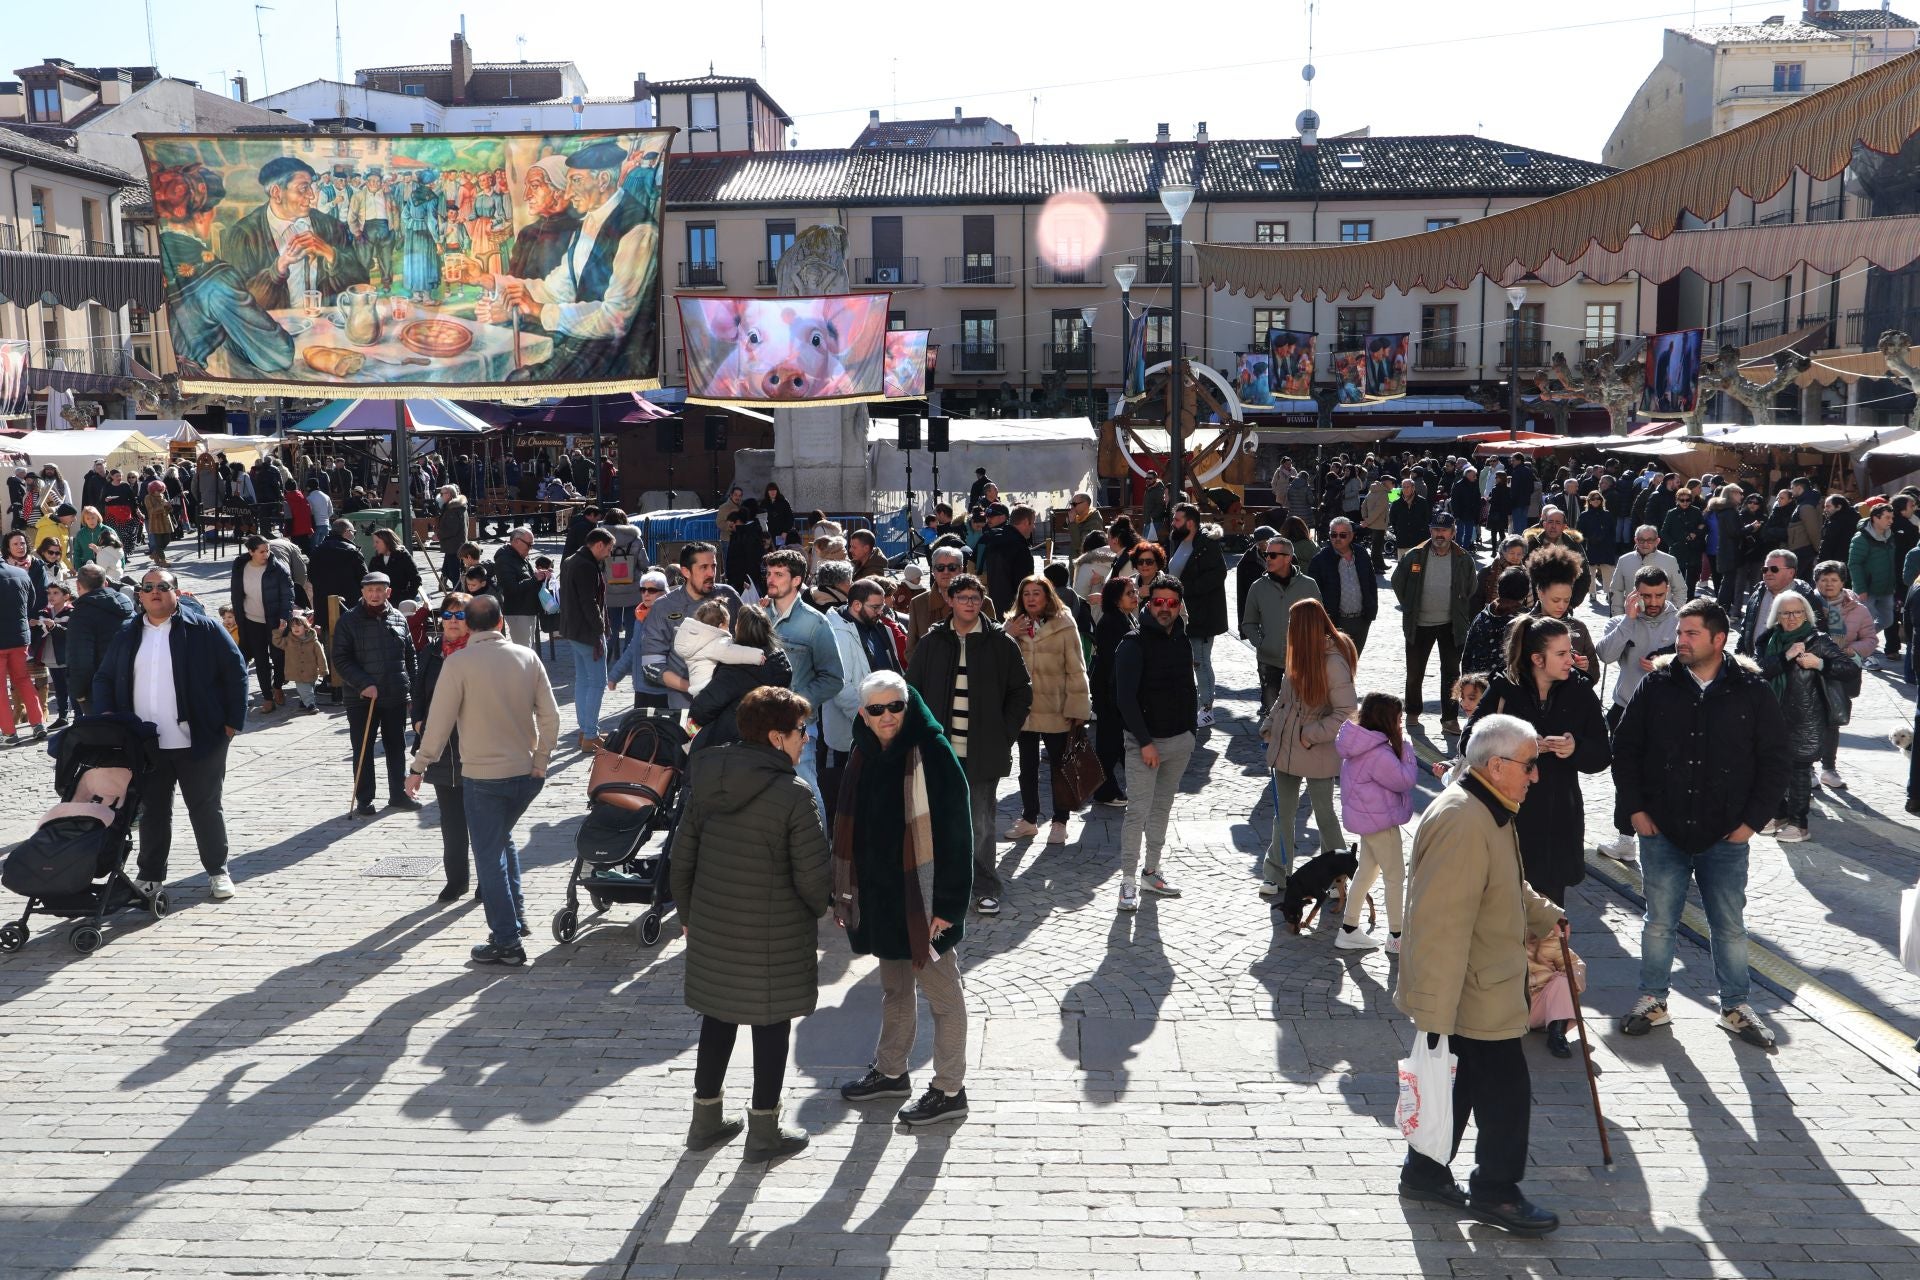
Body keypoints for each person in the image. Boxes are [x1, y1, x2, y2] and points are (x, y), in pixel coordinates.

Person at [1395, 712, 1567, 1237]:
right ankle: (1496, 1192)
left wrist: (1545, 915)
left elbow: (1502, 887)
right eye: (1530, 765)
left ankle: (1424, 1172)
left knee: (1463, 1083)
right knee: (1506, 1094)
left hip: (1482, 985)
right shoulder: (1465, 820)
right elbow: (1439, 924)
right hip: (1474, 993)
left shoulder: (1488, 808)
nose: (1535, 775)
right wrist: (1435, 1014)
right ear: (1496, 765)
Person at [1614, 600, 1790, 1048]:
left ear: (1719, 640)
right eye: (1680, 632)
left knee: (1729, 925)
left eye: (1691, 633)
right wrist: (1635, 810)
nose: (1681, 641)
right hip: (1663, 830)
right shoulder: (1656, 685)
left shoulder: (1752, 690)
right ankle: (1652, 1000)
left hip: (1726, 835)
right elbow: (1627, 748)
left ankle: (1735, 1005)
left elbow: (1775, 763)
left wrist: (1751, 822)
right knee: (1658, 922)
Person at [672, 684, 832, 1159]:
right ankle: (764, 1131)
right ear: (776, 738)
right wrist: (819, 908)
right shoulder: (793, 795)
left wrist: (688, 916)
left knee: (717, 1018)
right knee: (770, 1026)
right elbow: (813, 881)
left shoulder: (707, 779)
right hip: (774, 934)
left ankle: (705, 1121)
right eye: (802, 730)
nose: (807, 738)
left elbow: (683, 858)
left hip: (713, 928)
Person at [834, 672, 976, 1126]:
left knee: (943, 996)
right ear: (863, 713)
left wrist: (948, 908)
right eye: (877, 709)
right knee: (894, 990)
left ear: (908, 705)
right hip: (881, 901)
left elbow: (958, 834)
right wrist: (845, 895)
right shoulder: (863, 751)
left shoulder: (931, 751)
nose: (888, 716)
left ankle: (950, 1089)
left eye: (896, 706)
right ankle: (892, 1071)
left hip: (923, 901)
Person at [406, 593, 560, 965]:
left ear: (470, 626)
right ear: (501, 622)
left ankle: (506, 940)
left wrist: (419, 766)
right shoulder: (528, 657)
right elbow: (551, 718)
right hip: (525, 773)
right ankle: (516, 919)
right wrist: (540, 761)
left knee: (489, 857)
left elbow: (438, 723)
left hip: (483, 778)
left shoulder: (458, 663)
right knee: (501, 842)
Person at [92, 566, 248, 901]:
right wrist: (107, 716)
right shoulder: (127, 632)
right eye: (147, 587)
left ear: (176, 592)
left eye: (163, 586)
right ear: (140, 595)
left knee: (205, 808)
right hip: (146, 744)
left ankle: (218, 871)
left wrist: (232, 723)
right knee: (152, 810)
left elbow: (236, 672)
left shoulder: (203, 628)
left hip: (199, 739)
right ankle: (150, 876)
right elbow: (104, 677)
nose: (154, 592)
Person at [1462, 616, 1609, 913]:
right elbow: (1470, 741)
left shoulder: (1580, 691)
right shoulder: (1505, 688)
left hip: (1558, 820)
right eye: (1562, 654)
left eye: (1570, 652)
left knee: (1548, 917)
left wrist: (1574, 748)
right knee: (1499, 908)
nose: (1572, 659)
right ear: (1537, 659)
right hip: (1507, 817)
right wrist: (1517, 745)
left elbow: (1602, 755)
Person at [905, 571, 1030, 916]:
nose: (969, 604)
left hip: (983, 750)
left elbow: (1022, 691)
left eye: (975, 598)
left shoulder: (999, 642)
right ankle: (944, 888)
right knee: (939, 822)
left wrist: (1004, 733)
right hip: (939, 753)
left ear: (982, 601)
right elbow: (910, 690)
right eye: (963, 598)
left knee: (982, 823)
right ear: (950, 601)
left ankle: (986, 887)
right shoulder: (932, 642)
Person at [1257, 597, 1357, 897]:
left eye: (1292, 624)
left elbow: (1346, 712)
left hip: (1315, 749)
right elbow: (1284, 700)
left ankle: (1339, 875)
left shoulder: (1333, 662)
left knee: (1324, 814)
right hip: (1287, 745)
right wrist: (1270, 723)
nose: (1288, 629)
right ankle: (1276, 873)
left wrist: (1310, 734)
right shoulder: (1298, 655)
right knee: (1283, 814)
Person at [1111, 573, 1198, 910]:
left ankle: (1152, 871)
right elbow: (1125, 700)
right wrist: (1145, 742)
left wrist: (1191, 733)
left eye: (1171, 603)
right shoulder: (1132, 644)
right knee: (1137, 813)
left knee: (1162, 809)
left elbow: (1190, 689)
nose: (1165, 608)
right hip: (1143, 744)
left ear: (1179, 606)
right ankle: (1128, 882)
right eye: (1158, 602)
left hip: (1179, 742)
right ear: (1149, 603)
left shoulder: (1183, 639)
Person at [1592, 566, 1680, 861]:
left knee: (1668, 778)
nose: (1653, 602)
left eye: (1659, 595)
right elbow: (1604, 655)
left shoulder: (1683, 621)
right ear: (1635, 594)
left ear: (1668, 590)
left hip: (1669, 714)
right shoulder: (1621, 621)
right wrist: (1629, 620)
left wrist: (1668, 662)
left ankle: (1668, 841)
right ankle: (1625, 838)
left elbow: (1702, 661)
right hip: (1626, 710)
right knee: (1626, 778)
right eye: (1646, 595)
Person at [1753, 591, 1854, 843]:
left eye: (1797, 612)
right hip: (1771, 716)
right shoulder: (1768, 639)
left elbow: (1849, 669)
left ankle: (1799, 824)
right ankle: (1779, 814)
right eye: (1786, 613)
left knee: (1799, 769)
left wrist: (1819, 664)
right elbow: (1757, 672)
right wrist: (1784, 657)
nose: (1792, 618)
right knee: (1772, 766)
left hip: (1805, 717)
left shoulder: (1819, 641)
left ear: (1806, 614)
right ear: (1777, 616)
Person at [1003, 575, 1091, 846]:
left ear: (1047, 596)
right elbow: (994, 660)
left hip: (1056, 707)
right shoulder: (1012, 625)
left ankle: (1059, 821)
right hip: (1024, 709)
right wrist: (1007, 633)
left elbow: (1076, 667)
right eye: (1026, 593)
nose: (1030, 598)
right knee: (1026, 767)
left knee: (1059, 767)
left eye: (1036, 593)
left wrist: (1078, 706)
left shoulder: (1064, 623)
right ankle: (1029, 818)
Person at [761, 548, 846, 809]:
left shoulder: (815, 623)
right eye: (769, 573)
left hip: (798, 727)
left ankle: (819, 849)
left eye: (779, 574)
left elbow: (833, 678)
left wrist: (795, 703)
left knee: (806, 793)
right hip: (758, 723)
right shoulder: (757, 616)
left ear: (797, 580)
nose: (770, 579)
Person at [1334, 692, 1420, 951]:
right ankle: (1396, 937)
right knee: (1395, 877)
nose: (1402, 721)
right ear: (1387, 719)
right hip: (1379, 822)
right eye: (1399, 717)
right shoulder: (1378, 753)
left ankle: (1349, 929)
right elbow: (1405, 779)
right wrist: (1406, 746)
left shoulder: (1361, 743)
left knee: (1367, 872)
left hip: (1368, 818)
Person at [332, 571, 420, 817]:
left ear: (388, 593)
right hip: (362, 698)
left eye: (379, 590)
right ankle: (365, 798)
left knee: (396, 746)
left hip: (395, 694)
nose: (374, 594)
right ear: (363, 592)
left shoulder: (399, 618)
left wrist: (411, 689)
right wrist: (363, 684)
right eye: (370, 590)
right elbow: (340, 658)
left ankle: (398, 794)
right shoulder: (348, 621)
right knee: (363, 749)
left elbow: (410, 657)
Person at [412, 594, 476, 902]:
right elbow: (418, 692)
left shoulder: (481, 655)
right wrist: (418, 721)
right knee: (451, 822)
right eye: (448, 615)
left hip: (476, 750)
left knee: (482, 822)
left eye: (460, 616)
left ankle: (488, 881)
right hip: (440, 750)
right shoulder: (431, 652)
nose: (453, 621)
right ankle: (456, 880)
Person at [1390, 511, 1478, 734]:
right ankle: (1412, 711)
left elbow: (1471, 587)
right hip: (1420, 624)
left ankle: (1449, 719)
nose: (1440, 534)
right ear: (1430, 531)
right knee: (1415, 671)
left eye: (1444, 530)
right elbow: (1397, 581)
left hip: (1451, 625)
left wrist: (1459, 608)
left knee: (1451, 673)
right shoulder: (1415, 555)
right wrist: (1410, 606)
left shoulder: (1463, 558)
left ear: (1453, 532)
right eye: (1436, 530)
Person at [685, 604, 791, 750]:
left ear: (739, 629)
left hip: (731, 746)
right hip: (769, 745)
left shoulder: (735, 668)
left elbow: (702, 709)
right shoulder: (781, 663)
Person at [1811, 560, 1876, 788]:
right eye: (1823, 580)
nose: (1828, 584)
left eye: (1834, 580)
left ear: (1842, 582)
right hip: (1811, 669)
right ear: (1816, 582)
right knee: (1808, 719)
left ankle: (1829, 768)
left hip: (1840, 670)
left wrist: (1854, 650)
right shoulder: (1806, 605)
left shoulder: (1858, 609)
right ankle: (1807, 767)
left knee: (1832, 720)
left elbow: (1870, 639)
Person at [1241, 535, 1321, 714]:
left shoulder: (1309, 585)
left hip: (1301, 660)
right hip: (1269, 661)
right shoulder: (1258, 587)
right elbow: (1248, 623)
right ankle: (1272, 742)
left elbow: (1319, 621)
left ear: (1288, 558)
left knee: (1302, 711)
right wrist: (1263, 644)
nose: (1267, 558)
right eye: (1266, 554)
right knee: (1272, 712)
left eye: (1273, 555)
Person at [557, 529, 614, 752]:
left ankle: (585, 730)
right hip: (587, 632)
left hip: (574, 630)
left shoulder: (573, 560)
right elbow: (588, 602)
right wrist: (600, 629)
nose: (608, 554)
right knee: (597, 682)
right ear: (599, 544)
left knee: (583, 680)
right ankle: (590, 734)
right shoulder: (586, 565)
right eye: (608, 549)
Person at [229, 534, 295, 712]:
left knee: (278, 656)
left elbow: (288, 595)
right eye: (261, 551)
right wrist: (237, 614)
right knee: (260, 659)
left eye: (268, 550)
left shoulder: (278, 568)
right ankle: (267, 697)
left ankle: (278, 686)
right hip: (251, 620)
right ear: (251, 552)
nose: (266, 554)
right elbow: (236, 592)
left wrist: (285, 615)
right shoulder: (240, 566)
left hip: (274, 621)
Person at [1088, 576, 1138, 807]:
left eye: (1135, 591)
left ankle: (1129, 785)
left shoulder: (1125, 617)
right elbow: (1110, 661)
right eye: (1130, 593)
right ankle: (1105, 791)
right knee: (1109, 743)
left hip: (1117, 691)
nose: (1135, 596)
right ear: (1117, 598)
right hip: (1109, 692)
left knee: (1118, 743)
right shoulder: (1111, 623)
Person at [64, 564, 134, 718]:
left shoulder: (81, 614)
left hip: (99, 690)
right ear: (106, 583)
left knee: (104, 736)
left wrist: (78, 692)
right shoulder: (127, 604)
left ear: (78, 585)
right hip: (131, 680)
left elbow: (80, 658)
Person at [1308, 518, 1378, 654]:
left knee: (1353, 663)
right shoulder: (1320, 560)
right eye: (1334, 534)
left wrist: (1372, 608)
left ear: (1351, 536)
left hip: (1361, 620)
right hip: (1335, 622)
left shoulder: (1362, 554)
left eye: (1342, 535)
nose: (1337, 538)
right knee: (1338, 664)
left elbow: (1371, 583)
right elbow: (1314, 594)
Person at [1526, 545, 1599, 675]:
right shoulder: (1522, 627)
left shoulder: (1579, 628)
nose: (1561, 606)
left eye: (1566, 600)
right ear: (1540, 593)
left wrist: (1583, 670)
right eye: (1555, 600)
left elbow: (1594, 674)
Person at [1736, 548, 1815, 657]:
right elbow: (1746, 630)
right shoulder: (1758, 593)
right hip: (1753, 664)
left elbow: (1815, 637)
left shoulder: (1805, 598)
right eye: (1765, 569)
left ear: (1791, 572)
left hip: (1786, 668)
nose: (1768, 573)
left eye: (1774, 569)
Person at [1847, 502, 1902, 659]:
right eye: (1887, 517)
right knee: (1866, 622)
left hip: (1886, 588)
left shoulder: (1890, 535)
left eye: (1892, 517)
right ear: (1875, 518)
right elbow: (1854, 564)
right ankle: (1862, 651)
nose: (1891, 520)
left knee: (1888, 620)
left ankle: (1861, 640)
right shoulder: (1861, 538)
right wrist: (1860, 589)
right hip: (1868, 590)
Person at [599, 507, 647, 662]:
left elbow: (598, 564)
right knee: (632, 627)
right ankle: (628, 659)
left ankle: (606, 658)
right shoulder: (635, 539)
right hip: (633, 590)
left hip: (609, 590)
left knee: (610, 626)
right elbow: (644, 563)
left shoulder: (601, 538)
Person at [492, 527, 548, 650]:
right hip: (518, 611)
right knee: (524, 650)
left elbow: (527, 578)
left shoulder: (519, 556)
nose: (530, 548)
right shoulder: (505, 559)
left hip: (527, 609)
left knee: (527, 648)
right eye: (529, 544)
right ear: (517, 541)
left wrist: (541, 576)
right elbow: (511, 588)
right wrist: (535, 579)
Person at [272, 609, 328, 715]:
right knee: (304, 688)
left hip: (311, 671)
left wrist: (323, 669)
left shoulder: (314, 642)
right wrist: (279, 631)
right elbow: (277, 642)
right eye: (293, 626)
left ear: (306, 627)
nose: (295, 628)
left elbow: (321, 657)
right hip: (296, 671)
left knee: (309, 687)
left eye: (298, 625)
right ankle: (311, 705)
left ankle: (303, 702)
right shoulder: (289, 640)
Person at [1576, 490, 1618, 609]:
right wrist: (1587, 541)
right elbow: (1579, 533)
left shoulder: (1607, 514)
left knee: (1608, 570)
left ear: (1601, 500)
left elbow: (1612, 531)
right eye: (1593, 499)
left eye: (1598, 498)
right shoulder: (1584, 515)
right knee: (1590, 572)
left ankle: (1609, 592)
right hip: (1591, 546)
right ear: (1589, 501)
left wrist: (1611, 543)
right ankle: (1592, 593)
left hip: (1606, 546)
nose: (1596, 501)